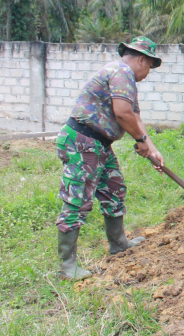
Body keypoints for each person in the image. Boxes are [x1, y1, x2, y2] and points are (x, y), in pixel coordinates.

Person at [55, 36, 165, 280]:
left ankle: (119, 244)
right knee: (78, 199)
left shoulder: (126, 80)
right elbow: (122, 114)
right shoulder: (121, 72)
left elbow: (134, 117)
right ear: (141, 59)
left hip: (99, 144)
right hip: (82, 141)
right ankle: (66, 266)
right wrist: (140, 141)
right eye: (149, 67)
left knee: (114, 189)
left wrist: (152, 148)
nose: (147, 73)